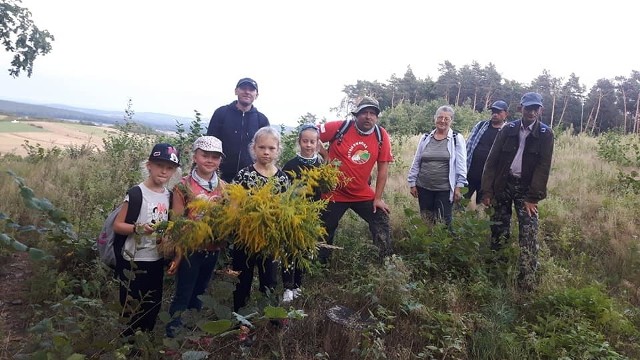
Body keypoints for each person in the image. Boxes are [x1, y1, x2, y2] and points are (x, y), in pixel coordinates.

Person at [481, 92, 554, 291]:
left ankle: (527, 280)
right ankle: (496, 270)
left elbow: (543, 167)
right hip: (503, 185)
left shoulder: (546, 134)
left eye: (535, 108)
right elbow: (492, 161)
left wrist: (533, 197)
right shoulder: (508, 129)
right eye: (528, 107)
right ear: (520, 108)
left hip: (527, 190)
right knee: (498, 228)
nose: (532, 112)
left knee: (528, 232)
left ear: (540, 110)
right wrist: (487, 191)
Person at [113, 143, 180, 336]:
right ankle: (127, 343)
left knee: (152, 305)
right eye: (160, 165)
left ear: (174, 171)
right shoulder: (136, 193)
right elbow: (118, 225)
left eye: (169, 168)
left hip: (156, 261)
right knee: (130, 305)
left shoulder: (169, 196)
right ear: (149, 165)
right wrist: (137, 228)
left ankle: (144, 339)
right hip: (132, 261)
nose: (164, 171)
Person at [317, 96, 393, 263]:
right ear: (356, 114)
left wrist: (378, 198)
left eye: (372, 113)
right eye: (364, 112)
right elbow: (308, 133)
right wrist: (325, 154)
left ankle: (385, 262)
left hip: (361, 192)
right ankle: (320, 265)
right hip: (334, 192)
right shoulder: (340, 127)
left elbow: (383, 169)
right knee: (324, 228)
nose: (368, 116)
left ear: (377, 117)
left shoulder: (381, 135)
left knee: (381, 219)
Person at [165, 136, 226, 338]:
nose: (209, 160)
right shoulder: (183, 187)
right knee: (183, 293)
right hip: (190, 251)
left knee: (200, 292)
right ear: (194, 157)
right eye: (205, 155)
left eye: (215, 157)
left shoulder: (224, 188)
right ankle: (173, 335)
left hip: (213, 250)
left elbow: (229, 219)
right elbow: (177, 222)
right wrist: (178, 253)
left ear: (220, 160)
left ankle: (191, 333)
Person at [231, 126, 289, 312]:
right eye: (262, 147)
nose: (266, 152)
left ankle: (271, 319)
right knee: (242, 280)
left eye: (271, 148)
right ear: (253, 148)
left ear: (278, 150)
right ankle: (240, 320)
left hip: (270, 241)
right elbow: (233, 206)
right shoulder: (244, 175)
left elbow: (286, 209)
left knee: (269, 281)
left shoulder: (283, 178)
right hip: (245, 239)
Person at [280, 124, 322, 303]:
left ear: (318, 143)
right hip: (293, 213)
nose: (308, 145)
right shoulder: (291, 164)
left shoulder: (321, 164)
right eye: (305, 141)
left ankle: (298, 284)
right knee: (290, 249)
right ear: (299, 142)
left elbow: (322, 191)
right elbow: (283, 190)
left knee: (305, 249)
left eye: (312, 141)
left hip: (311, 215)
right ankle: (287, 286)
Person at [407, 106, 467, 228]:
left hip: (444, 190)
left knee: (444, 223)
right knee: (426, 220)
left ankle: (446, 247)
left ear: (451, 121)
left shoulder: (456, 138)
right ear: (435, 118)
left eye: (447, 118)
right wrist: (412, 182)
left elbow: (461, 164)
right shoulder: (425, 138)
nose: (443, 121)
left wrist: (459, 187)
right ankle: (426, 246)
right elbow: (417, 160)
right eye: (440, 117)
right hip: (423, 188)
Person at [206, 77, 270, 183]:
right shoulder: (221, 113)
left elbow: (266, 150)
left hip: (250, 179)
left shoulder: (261, 120)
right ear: (236, 91)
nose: (247, 92)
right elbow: (209, 144)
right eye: (243, 88)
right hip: (219, 177)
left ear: (256, 95)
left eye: (251, 89)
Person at [465, 100, 509, 205]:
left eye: (499, 112)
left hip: (488, 180)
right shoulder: (481, 125)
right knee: (459, 203)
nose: (495, 114)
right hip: (470, 174)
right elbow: (468, 147)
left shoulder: (508, 131)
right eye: (493, 111)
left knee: (483, 208)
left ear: (506, 114)